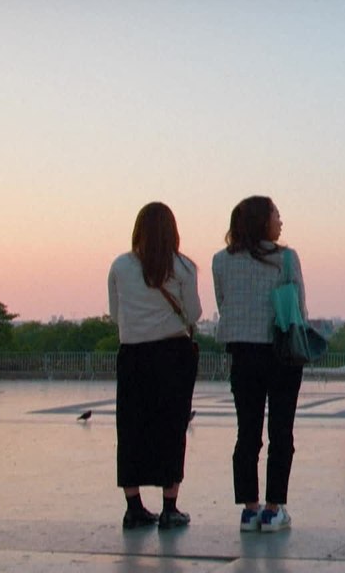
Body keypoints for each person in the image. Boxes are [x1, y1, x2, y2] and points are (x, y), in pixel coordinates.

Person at [213, 196, 305, 533]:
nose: (281, 221)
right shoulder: (286, 258)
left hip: (242, 353)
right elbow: (298, 307)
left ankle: (249, 508)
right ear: (262, 221)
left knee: (247, 432)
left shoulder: (220, 261)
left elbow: (224, 302)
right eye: (276, 215)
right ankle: (273, 507)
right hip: (280, 353)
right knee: (281, 431)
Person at [108, 202, 201, 530]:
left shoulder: (120, 265)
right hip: (173, 355)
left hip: (133, 355)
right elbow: (193, 313)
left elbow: (114, 312)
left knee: (131, 427)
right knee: (172, 428)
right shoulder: (184, 267)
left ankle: (133, 506)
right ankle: (169, 506)